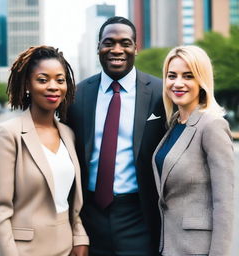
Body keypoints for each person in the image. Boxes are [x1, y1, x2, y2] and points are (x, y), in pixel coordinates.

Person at [67, 16, 166, 256]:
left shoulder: (160, 93)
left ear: (135, 48)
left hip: (140, 215)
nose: (116, 50)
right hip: (89, 217)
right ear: (98, 47)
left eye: (125, 43)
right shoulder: (77, 95)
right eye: (108, 42)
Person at [0, 46, 89, 256]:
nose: (53, 87)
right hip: (24, 250)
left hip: (66, 248)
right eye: (43, 80)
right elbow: (0, 210)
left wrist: (80, 237)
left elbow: (70, 199)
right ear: (27, 84)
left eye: (60, 80)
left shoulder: (68, 134)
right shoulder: (8, 134)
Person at [152, 45, 235, 256]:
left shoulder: (212, 125)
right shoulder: (174, 125)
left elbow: (224, 203)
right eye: (172, 76)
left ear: (201, 81)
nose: (178, 83)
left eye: (188, 76)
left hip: (197, 248)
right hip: (168, 245)